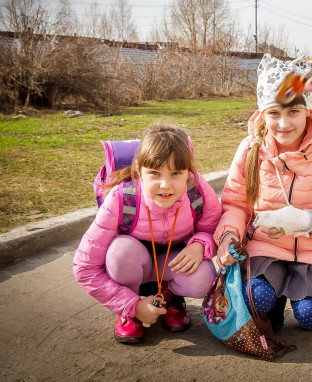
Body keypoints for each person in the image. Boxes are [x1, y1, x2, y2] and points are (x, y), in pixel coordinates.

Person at [214, 55, 312, 332]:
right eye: (274, 113)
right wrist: (229, 237)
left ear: (308, 110)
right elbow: (235, 204)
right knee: (256, 298)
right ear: (262, 114)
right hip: (264, 249)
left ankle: (295, 296)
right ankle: (273, 301)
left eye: (293, 111)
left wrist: (307, 221)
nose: (283, 124)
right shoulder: (251, 150)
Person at [73, 124, 221, 344]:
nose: (165, 184)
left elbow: (214, 227)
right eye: (154, 172)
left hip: (172, 261)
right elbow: (85, 268)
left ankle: (171, 301)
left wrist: (200, 244)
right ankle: (129, 313)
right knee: (120, 252)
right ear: (139, 171)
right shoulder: (121, 199)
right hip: (133, 262)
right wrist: (132, 305)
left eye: (176, 173)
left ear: (189, 173)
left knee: (204, 275)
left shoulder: (197, 191)